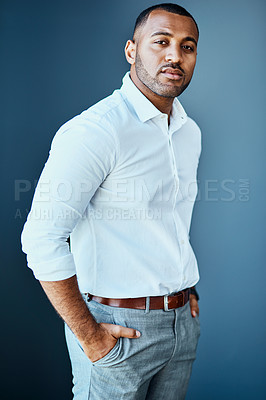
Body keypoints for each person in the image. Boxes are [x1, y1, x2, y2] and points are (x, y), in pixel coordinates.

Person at [21, 3, 202, 399]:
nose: (175, 55)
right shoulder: (96, 131)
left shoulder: (189, 132)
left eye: (187, 47)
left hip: (181, 326)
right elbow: (40, 239)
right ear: (131, 51)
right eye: (162, 42)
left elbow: (168, 221)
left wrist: (186, 289)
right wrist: (91, 336)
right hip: (115, 329)